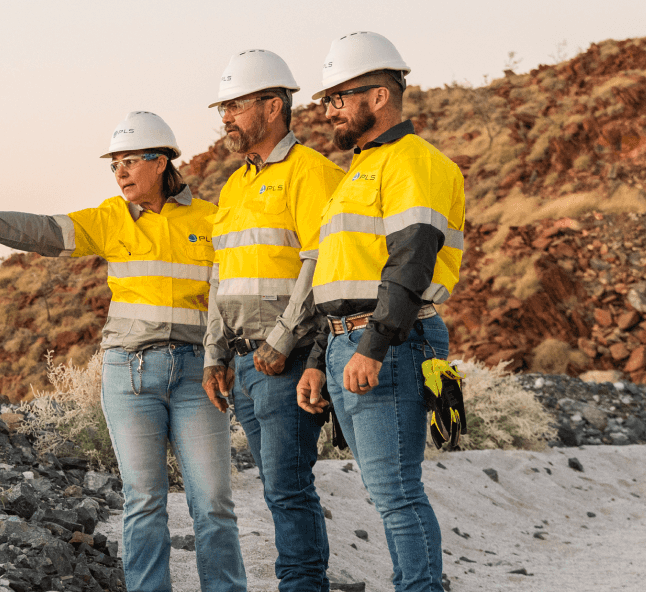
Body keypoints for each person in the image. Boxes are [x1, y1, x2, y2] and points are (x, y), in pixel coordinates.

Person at [0, 111, 246, 592]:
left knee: (214, 501)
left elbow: (237, 290)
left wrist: (232, 356)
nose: (120, 172)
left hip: (200, 373)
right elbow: (42, 230)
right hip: (129, 375)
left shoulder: (213, 219)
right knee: (144, 499)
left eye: (130, 161)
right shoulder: (109, 219)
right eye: (114, 164)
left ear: (161, 162)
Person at [293, 32, 465, 592]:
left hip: (389, 340)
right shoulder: (358, 174)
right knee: (386, 489)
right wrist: (321, 356)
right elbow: (338, 279)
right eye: (327, 100)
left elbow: (411, 264)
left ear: (379, 97)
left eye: (338, 98)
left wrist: (372, 344)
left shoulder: (416, 163)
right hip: (351, 340)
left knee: (395, 491)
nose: (329, 111)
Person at [199, 49, 342, 592]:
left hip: (288, 358)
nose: (226, 117)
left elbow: (320, 260)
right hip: (245, 360)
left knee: (287, 486)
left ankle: (302, 586)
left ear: (274, 105)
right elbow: (221, 273)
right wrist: (215, 352)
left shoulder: (312, 173)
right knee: (277, 487)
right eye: (224, 107)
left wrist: (283, 339)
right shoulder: (234, 186)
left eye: (235, 105)